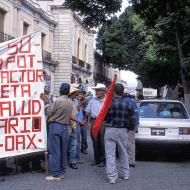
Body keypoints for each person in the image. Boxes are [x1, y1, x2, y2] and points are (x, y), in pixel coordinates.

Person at [41, 83, 84, 181]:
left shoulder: (58, 100)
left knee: (55, 150)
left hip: (56, 126)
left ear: (60, 90)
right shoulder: (70, 102)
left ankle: (55, 174)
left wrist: (47, 102)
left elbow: (49, 112)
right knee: (63, 150)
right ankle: (61, 172)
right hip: (65, 127)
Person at [104, 83, 136, 184]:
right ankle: (125, 173)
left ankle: (112, 177)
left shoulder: (108, 103)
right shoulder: (128, 104)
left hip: (110, 129)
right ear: (122, 92)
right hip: (123, 130)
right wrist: (130, 128)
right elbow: (132, 119)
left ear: (114, 91)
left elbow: (104, 117)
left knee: (110, 154)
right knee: (123, 152)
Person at [86, 83, 106, 167]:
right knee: (95, 140)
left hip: (103, 122)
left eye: (98, 90)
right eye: (96, 90)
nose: (96, 92)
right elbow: (89, 112)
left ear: (103, 91)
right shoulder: (92, 100)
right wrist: (88, 122)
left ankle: (103, 160)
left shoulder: (107, 100)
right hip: (94, 121)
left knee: (102, 141)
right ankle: (96, 159)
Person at [124, 90, 139, 168]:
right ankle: (131, 161)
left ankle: (129, 161)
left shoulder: (125, 101)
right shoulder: (133, 101)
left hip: (129, 124)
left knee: (126, 143)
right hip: (134, 124)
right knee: (131, 143)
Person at [68, 87, 80, 169]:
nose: (77, 95)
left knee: (73, 145)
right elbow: (70, 116)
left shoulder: (74, 102)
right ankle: (70, 160)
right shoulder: (67, 103)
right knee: (69, 145)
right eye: (76, 93)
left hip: (73, 126)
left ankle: (72, 161)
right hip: (68, 127)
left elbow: (76, 114)